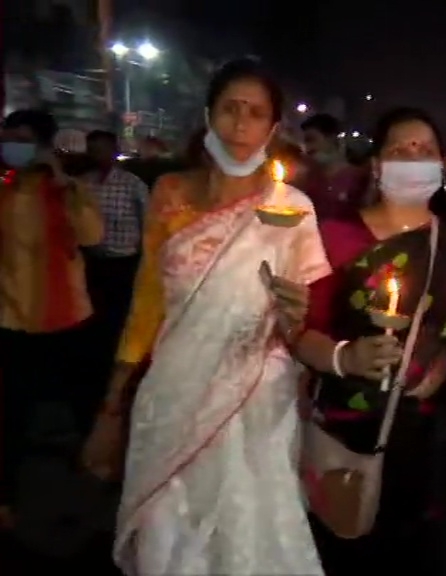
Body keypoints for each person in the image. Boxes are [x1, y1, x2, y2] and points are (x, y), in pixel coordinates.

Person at [80, 59, 330, 575]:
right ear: (209, 116)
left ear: (272, 129)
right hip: (173, 392)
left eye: (256, 113)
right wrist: (113, 403)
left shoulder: (293, 208)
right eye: (230, 109)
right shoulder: (170, 194)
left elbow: (305, 320)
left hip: (254, 401)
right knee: (169, 540)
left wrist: (297, 313)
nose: (241, 123)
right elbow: (148, 304)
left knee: (247, 538)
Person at [290, 106, 446, 575]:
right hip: (346, 432)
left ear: (442, 165)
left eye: (425, 150)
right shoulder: (335, 236)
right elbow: (296, 330)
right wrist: (343, 356)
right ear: (376, 165)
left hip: (429, 439)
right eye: (400, 149)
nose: (414, 157)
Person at [0, 109, 105, 529]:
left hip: (68, 316)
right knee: (10, 412)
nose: (12, 144)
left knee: (84, 403)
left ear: (42, 144)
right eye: (8, 136)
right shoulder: (4, 188)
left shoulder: (67, 189)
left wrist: (67, 185)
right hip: (12, 317)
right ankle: (5, 496)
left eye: (22, 137)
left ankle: (98, 474)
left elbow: (93, 237)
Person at [82, 130, 151, 386]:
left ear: (113, 151)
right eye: (93, 149)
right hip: (92, 262)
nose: (97, 154)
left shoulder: (132, 184)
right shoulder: (83, 183)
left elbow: (149, 223)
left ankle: (121, 373)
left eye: (102, 148)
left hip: (124, 263)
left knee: (120, 320)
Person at [301, 112, 369, 220]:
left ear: (331, 138)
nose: (308, 148)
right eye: (305, 142)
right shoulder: (308, 179)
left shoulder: (359, 178)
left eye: (311, 140)